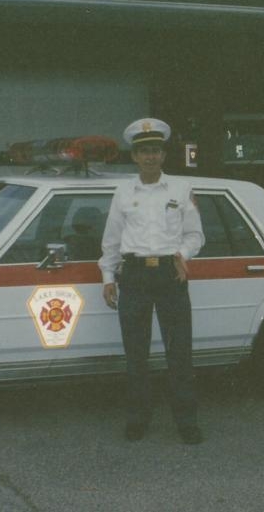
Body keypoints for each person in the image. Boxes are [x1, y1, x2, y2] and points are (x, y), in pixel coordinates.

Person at [98, 118, 205, 444]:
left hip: (170, 275)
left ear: (163, 155)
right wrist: (107, 276)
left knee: (180, 353)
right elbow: (112, 240)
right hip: (134, 276)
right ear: (134, 157)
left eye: (155, 151)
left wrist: (182, 255)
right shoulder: (123, 192)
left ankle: (186, 421)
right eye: (144, 151)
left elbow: (196, 235)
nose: (150, 157)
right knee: (136, 355)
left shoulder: (181, 190)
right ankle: (137, 419)